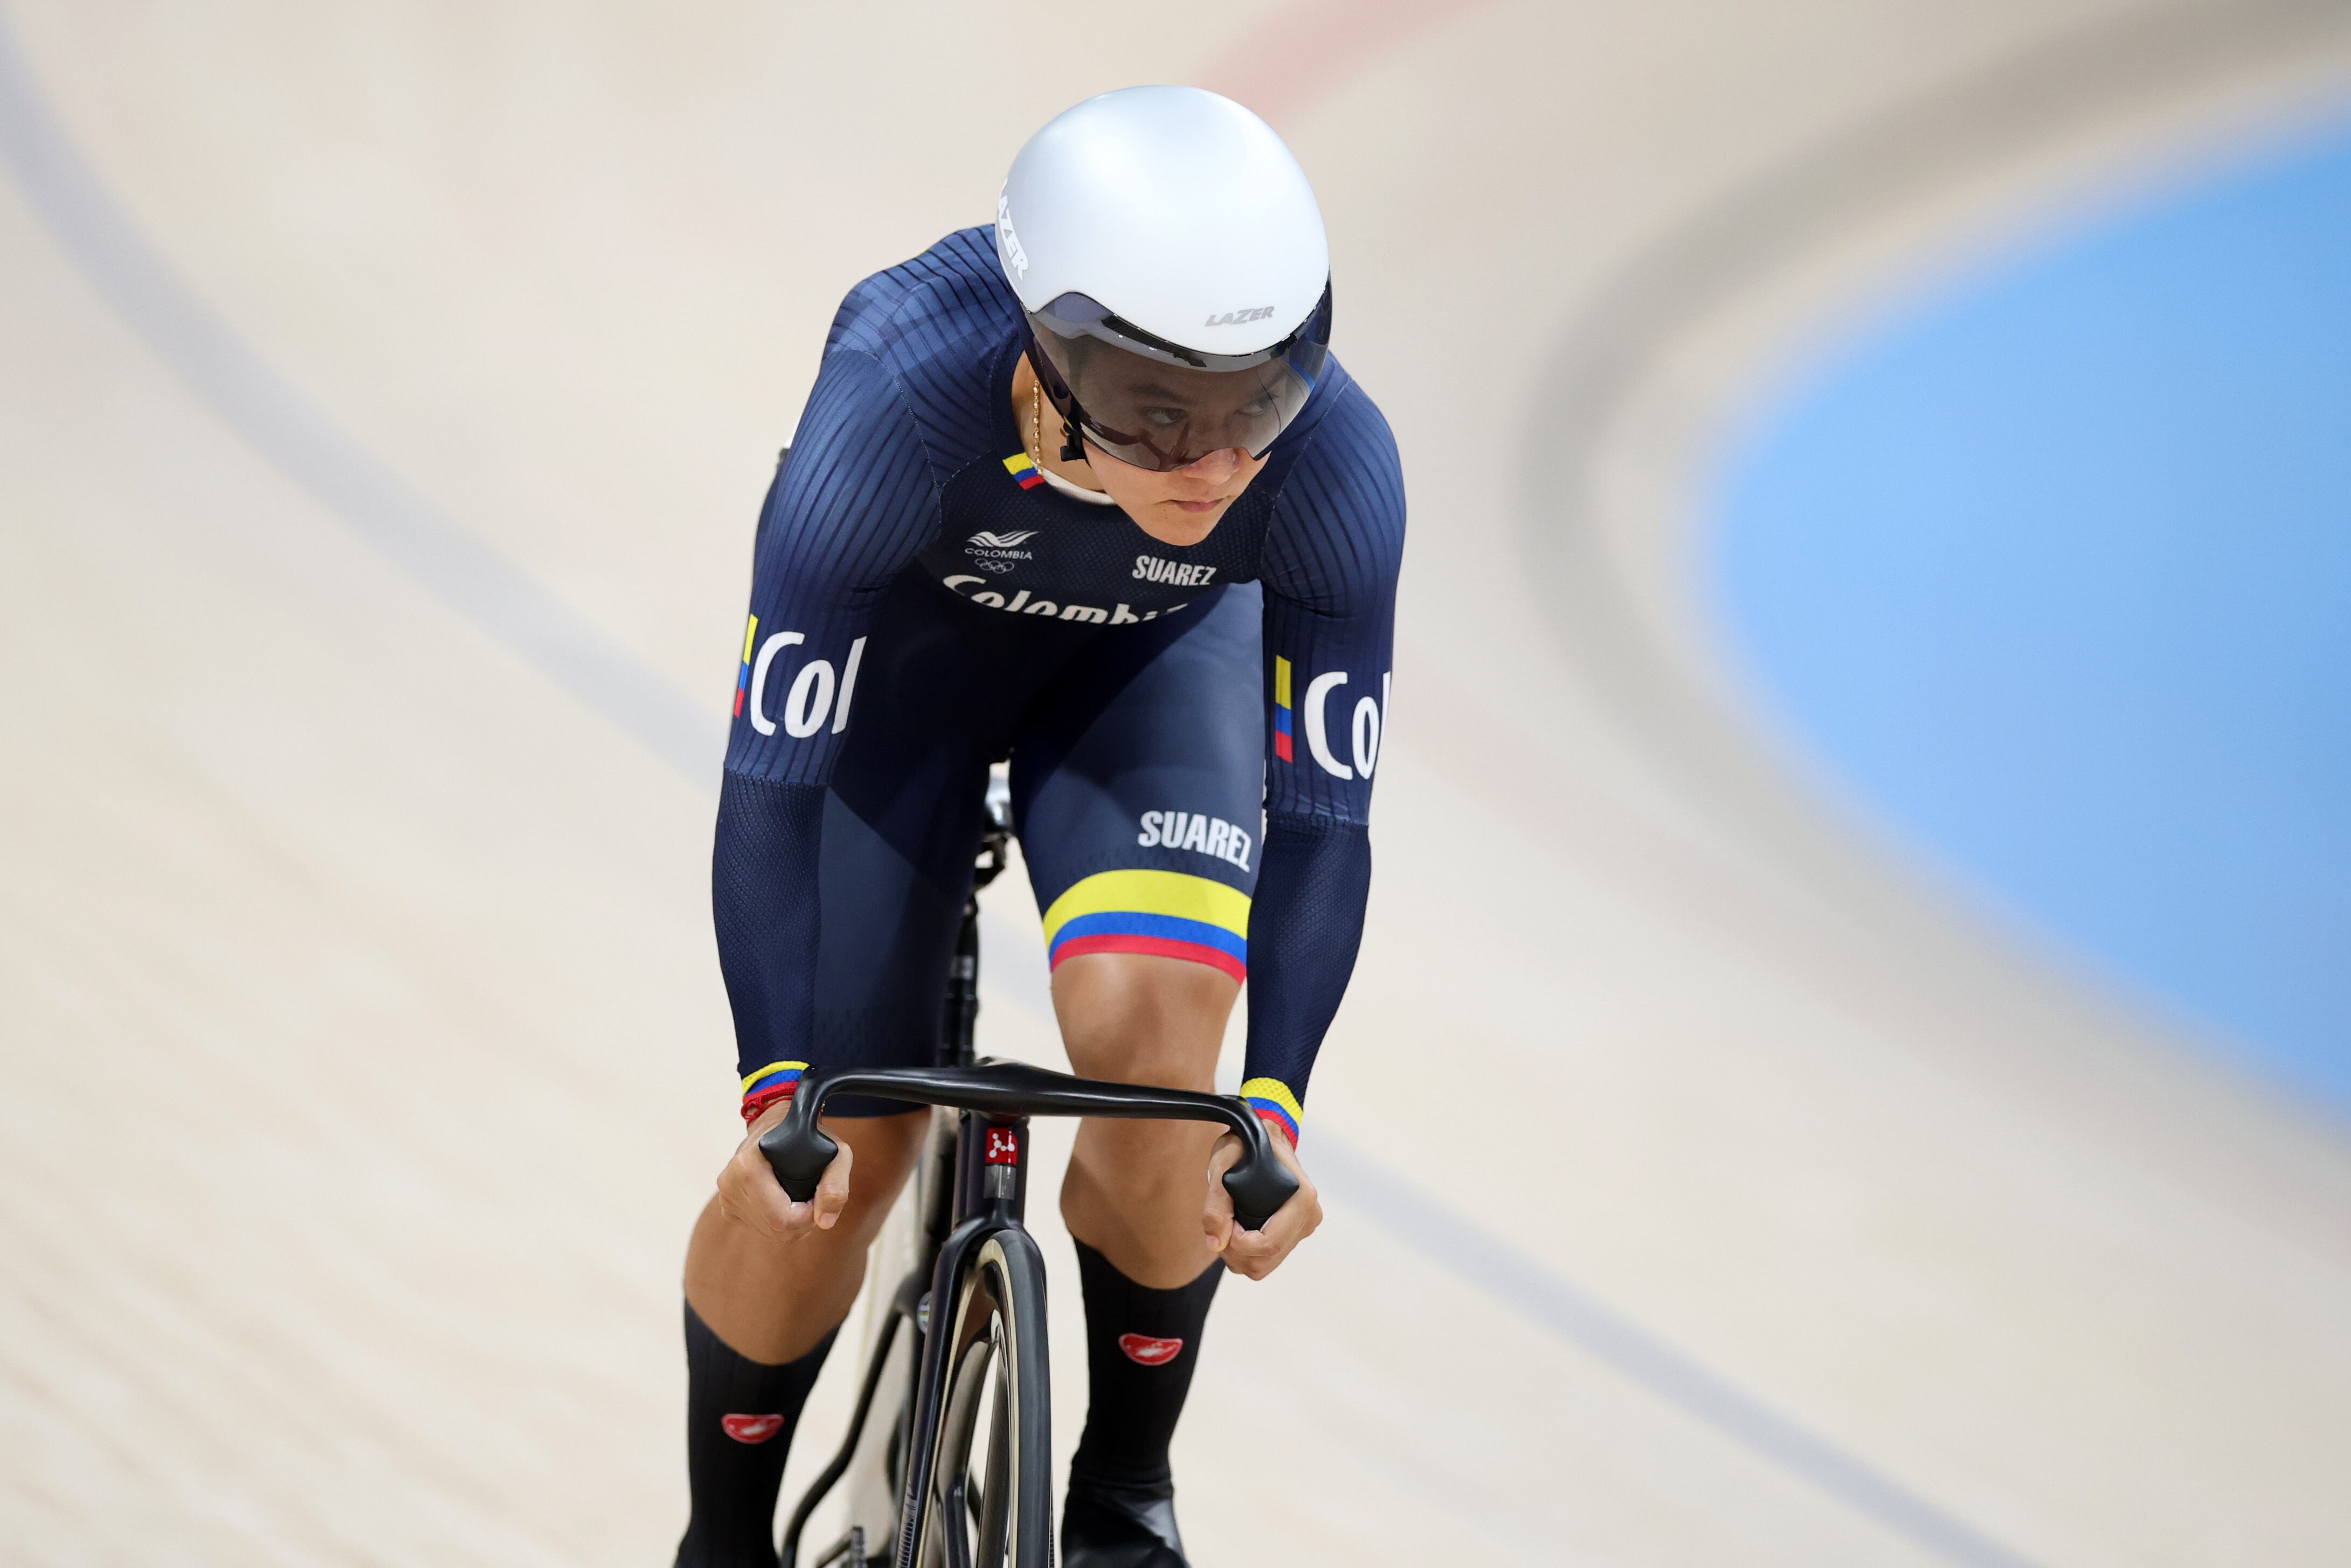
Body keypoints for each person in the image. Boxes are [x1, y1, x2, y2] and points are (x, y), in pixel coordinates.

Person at [677, 84, 1404, 1568]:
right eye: (1161, 413)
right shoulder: (893, 394)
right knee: (831, 1158)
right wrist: (772, 1094)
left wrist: (1271, 1110)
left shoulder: (1336, 463)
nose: (1219, 464)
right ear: (1047, 353)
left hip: (1146, 678)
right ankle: (724, 1546)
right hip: (906, 695)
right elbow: (771, 783)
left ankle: (1122, 1500)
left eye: (1259, 401)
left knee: (1166, 1073)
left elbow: (1327, 824)